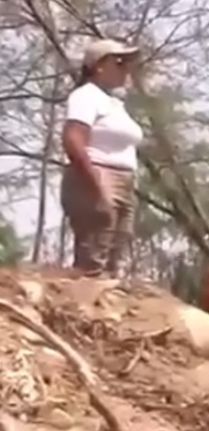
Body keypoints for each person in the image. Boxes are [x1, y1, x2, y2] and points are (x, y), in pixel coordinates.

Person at [61, 37, 144, 276]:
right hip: (97, 174)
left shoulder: (114, 103)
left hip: (123, 181)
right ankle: (81, 305)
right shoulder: (86, 96)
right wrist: (95, 184)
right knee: (95, 252)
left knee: (116, 253)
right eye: (119, 62)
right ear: (98, 66)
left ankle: (104, 307)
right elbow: (73, 139)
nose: (125, 69)